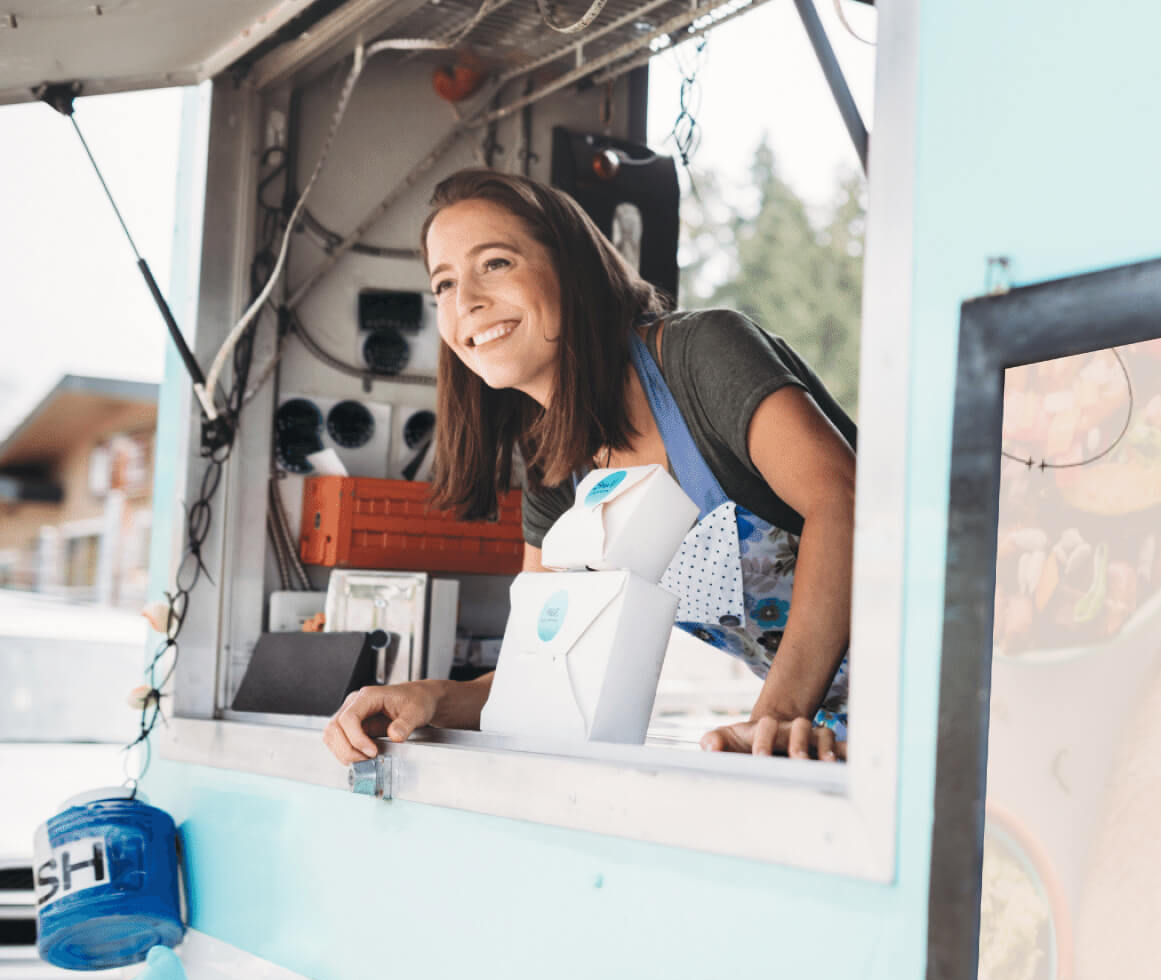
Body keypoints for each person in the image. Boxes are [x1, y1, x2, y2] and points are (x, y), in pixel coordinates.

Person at [322, 168, 855, 764]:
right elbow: (543, 665)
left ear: (571, 268)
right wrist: (428, 697)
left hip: (946, 681)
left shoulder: (702, 354)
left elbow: (844, 503)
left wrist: (776, 716)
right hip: (826, 739)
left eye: (494, 263)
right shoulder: (555, 472)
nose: (465, 301)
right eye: (443, 284)